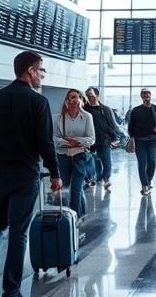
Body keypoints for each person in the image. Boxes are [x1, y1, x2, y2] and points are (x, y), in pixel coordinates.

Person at [0, 51, 61, 297]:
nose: (42, 75)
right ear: (30, 70)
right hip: (25, 174)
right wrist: (55, 173)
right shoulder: (38, 102)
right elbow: (45, 143)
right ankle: (11, 291)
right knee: (19, 233)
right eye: (41, 70)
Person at [54, 89, 95, 218]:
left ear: (80, 99)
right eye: (69, 98)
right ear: (66, 100)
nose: (72, 100)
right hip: (63, 155)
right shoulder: (58, 118)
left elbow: (91, 138)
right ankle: (66, 216)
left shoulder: (87, 117)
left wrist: (77, 142)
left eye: (74, 97)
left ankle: (74, 218)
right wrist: (68, 143)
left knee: (76, 188)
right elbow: (54, 137)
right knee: (65, 187)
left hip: (80, 156)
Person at [127, 88, 156, 195]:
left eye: (148, 96)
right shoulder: (136, 111)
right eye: (144, 96)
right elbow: (131, 126)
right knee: (142, 163)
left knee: (152, 161)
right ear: (141, 97)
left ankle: (148, 180)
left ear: (151, 96)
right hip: (140, 140)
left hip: (154, 139)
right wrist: (132, 136)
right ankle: (144, 185)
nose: (146, 98)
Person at [83, 86, 118, 191]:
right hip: (90, 142)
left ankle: (106, 179)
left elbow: (112, 124)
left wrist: (113, 138)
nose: (90, 98)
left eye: (92, 95)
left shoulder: (105, 110)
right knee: (95, 162)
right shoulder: (84, 110)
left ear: (97, 95)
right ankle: (98, 179)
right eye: (88, 96)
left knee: (107, 163)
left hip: (104, 140)